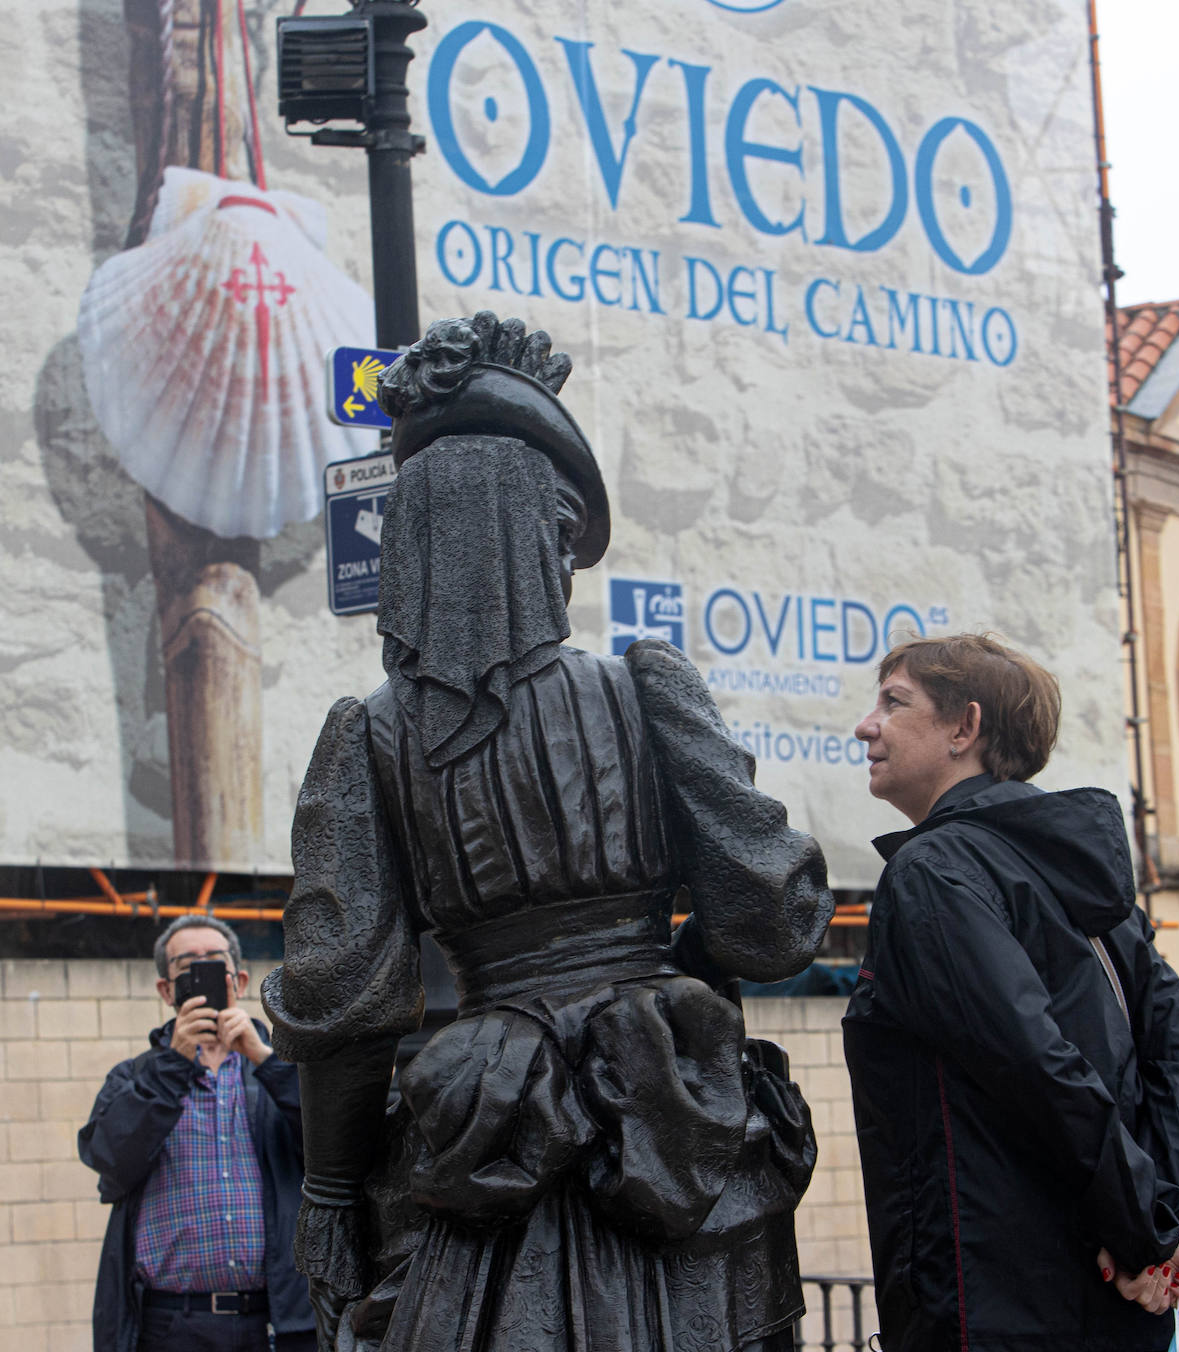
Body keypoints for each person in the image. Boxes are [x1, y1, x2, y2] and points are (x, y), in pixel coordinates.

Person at [261, 312, 836, 1352]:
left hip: (488, 1135)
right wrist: (670, 980)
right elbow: (771, 924)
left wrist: (332, 1194)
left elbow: (345, 1002)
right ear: (547, 528)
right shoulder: (648, 689)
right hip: (667, 1125)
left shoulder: (368, 736)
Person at [844, 633, 1179, 1351]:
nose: (866, 725)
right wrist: (1155, 1232)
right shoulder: (1093, 893)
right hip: (1116, 1307)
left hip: (993, 1315)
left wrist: (1147, 1234)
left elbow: (1035, 1065)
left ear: (964, 729)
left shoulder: (932, 874)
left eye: (893, 702)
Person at [79, 915, 315, 1352]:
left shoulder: (280, 1067)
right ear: (166, 990)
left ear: (238, 979)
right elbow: (109, 1161)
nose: (201, 971)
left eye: (214, 962)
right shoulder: (133, 1079)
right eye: (186, 965)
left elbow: (334, 1142)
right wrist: (174, 1063)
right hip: (170, 1325)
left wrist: (264, 1058)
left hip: (276, 1322)